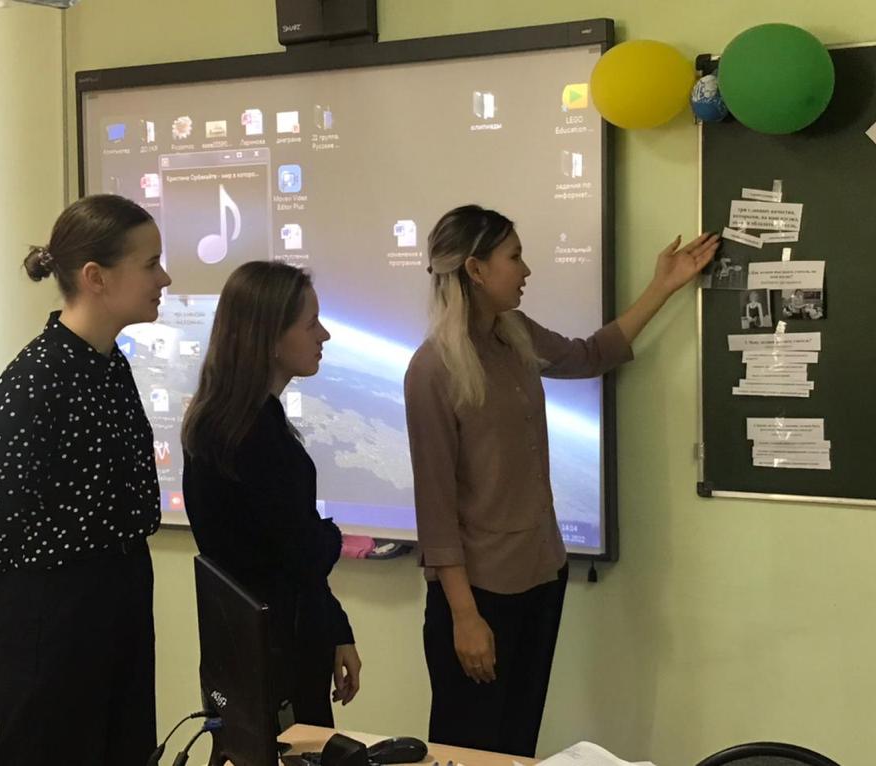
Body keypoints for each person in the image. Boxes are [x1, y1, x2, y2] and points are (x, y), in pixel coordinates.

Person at [404, 204, 718, 757]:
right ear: (475, 270)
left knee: (517, 743)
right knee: (470, 749)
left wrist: (663, 286)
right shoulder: (432, 370)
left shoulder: (515, 334)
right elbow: (436, 510)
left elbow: (590, 355)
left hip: (540, 577)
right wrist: (465, 617)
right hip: (479, 596)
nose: (526, 270)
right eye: (514, 258)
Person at [0, 194, 170, 765]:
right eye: (151, 264)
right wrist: (19, 612)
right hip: (58, 626)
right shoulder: (34, 383)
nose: (164, 278)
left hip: (116, 602)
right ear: (96, 277)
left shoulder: (108, 363)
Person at [181, 261, 360, 727]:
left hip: (264, 647)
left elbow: (290, 554)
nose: (324, 335)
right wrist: (333, 537)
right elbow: (300, 553)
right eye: (311, 324)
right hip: (275, 658)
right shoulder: (251, 437)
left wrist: (336, 628)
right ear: (270, 337)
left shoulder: (232, 422)